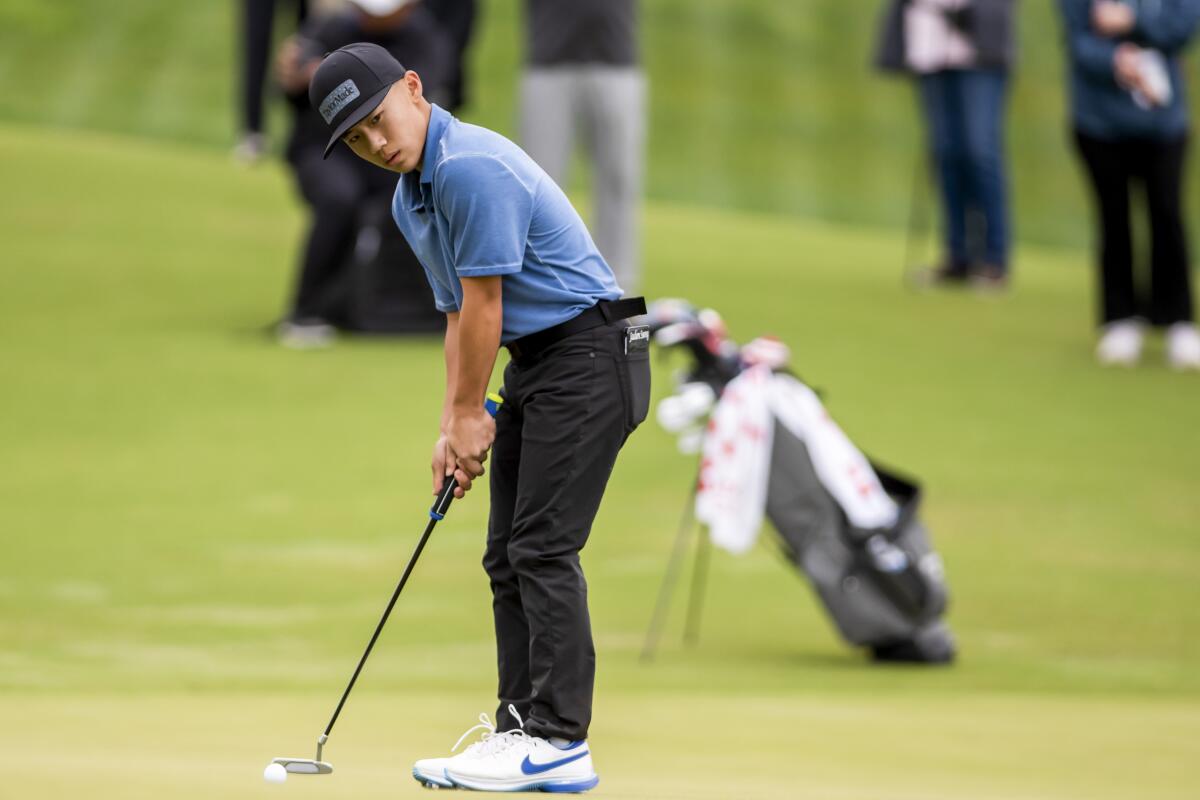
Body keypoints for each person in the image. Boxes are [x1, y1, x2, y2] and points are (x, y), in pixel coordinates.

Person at [307, 43, 651, 791]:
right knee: (507, 554)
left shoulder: (468, 168)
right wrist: (453, 425)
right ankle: (519, 731)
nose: (376, 143)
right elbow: (460, 317)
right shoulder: (413, 198)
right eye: (357, 141)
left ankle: (560, 737)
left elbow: (488, 305)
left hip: (590, 357)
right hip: (543, 363)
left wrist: (472, 412)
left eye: (376, 120)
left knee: (542, 548)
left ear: (412, 86)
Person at [275, 0, 453, 347]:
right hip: (325, 150)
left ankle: (397, 305)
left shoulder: (427, 38)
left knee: (409, 199)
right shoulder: (330, 30)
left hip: (389, 151)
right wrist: (296, 78)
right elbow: (291, 93)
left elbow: (425, 107)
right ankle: (306, 309)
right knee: (338, 197)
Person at [1059, 0, 1200, 370]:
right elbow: (1078, 41)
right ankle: (1120, 319)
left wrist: (1131, 20)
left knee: (1167, 214)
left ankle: (1177, 319)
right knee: (1113, 215)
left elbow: (1182, 25)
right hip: (1098, 120)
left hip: (1163, 118)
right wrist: (1113, 62)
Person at [876, 0, 1017, 289]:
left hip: (980, 50)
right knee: (945, 153)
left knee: (979, 150)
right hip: (930, 47)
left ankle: (994, 258)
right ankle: (958, 255)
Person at [519, 0, 645, 294]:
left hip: (617, 57)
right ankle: (541, 286)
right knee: (538, 182)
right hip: (548, 57)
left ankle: (617, 290)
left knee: (619, 178)